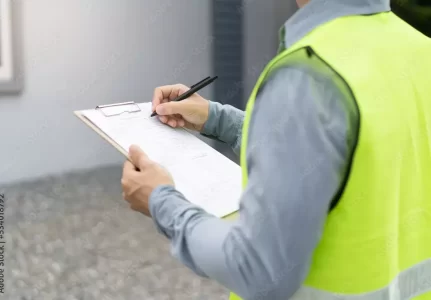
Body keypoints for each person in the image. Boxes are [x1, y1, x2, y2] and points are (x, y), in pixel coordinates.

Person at [121, 0, 431, 299]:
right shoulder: (420, 50)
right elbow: (348, 150)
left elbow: (257, 271)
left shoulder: (308, 76)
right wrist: (219, 119)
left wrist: (161, 201)